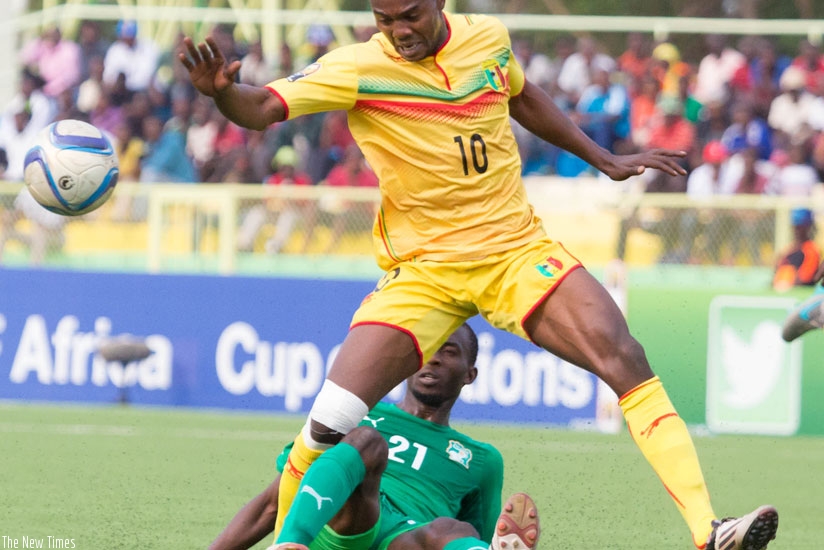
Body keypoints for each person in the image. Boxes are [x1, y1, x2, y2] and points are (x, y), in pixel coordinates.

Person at [180, 3, 779, 549]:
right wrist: (222, 94)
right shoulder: (356, 66)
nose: (398, 31)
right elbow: (261, 108)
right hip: (425, 270)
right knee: (330, 419)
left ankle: (708, 531)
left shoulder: (487, 37)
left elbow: (522, 96)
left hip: (514, 251)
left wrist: (602, 158)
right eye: (385, 19)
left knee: (624, 355)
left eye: (409, 16)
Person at [208, 324, 540, 550]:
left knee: (455, 530)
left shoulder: (482, 459)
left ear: (470, 374)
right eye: (428, 348)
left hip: (403, 539)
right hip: (339, 527)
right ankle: (290, 544)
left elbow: (480, 532)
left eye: (449, 351)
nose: (435, 358)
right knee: (367, 442)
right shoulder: (360, 412)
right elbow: (273, 502)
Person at [773, 208, 821, 292]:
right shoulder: (790, 249)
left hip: (798, 291)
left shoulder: (811, 250)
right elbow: (777, 269)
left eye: (800, 227)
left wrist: (787, 283)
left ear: (808, 228)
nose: (796, 231)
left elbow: (804, 278)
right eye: (795, 227)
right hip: (781, 288)